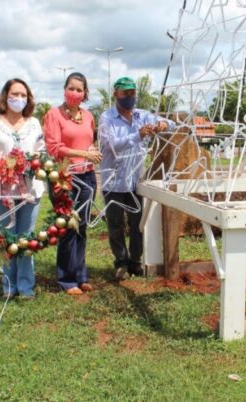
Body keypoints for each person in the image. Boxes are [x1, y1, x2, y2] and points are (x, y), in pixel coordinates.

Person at [98, 77, 175, 280]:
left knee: (137, 223)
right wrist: (137, 135)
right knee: (115, 224)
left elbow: (173, 124)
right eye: (125, 93)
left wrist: (162, 124)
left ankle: (135, 262)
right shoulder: (107, 118)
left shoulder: (142, 115)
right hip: (113, 180)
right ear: (116, 95)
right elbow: (111, 145)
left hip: (135, 181)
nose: (130, 97)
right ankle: (121, 263)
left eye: (132, 93)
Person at [0, 78, 45, 299]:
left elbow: (41, 152)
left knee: (25, 237)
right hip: (2, 191)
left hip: (30, 191)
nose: (19, 99)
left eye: (23, 95)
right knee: (8, 238)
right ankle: (9, 285)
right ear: (5, 96)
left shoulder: (34, 123)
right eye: (15, 94)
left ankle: (26, 286)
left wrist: (36, 160)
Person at [44, 72, 101, 295]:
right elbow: (54, 148)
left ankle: (80, 274)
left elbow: (89, 142)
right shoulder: (54, 115)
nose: (75, 92)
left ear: (85, 93)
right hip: (65, 178)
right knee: (68, 226)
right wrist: (81, 154)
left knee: (82, 226)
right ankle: (66, 279)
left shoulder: (88, 116)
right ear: (64, 89)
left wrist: (91, 152)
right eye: (72, 88)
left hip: (87, 176)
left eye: (80, 89)